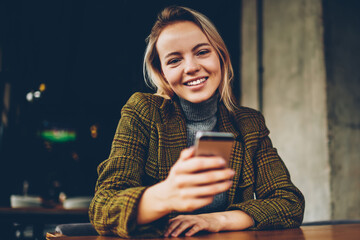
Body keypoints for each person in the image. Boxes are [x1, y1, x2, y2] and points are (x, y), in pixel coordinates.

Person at [89, 6, 305, 238]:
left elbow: (288, 202)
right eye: (174, 60)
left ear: (221, 57)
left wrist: (218, 219)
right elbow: (103, 208)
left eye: (202, 52)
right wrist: (166, 194)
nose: (191, 67)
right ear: (162, 73)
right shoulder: (143, 112)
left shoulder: (249, 123)